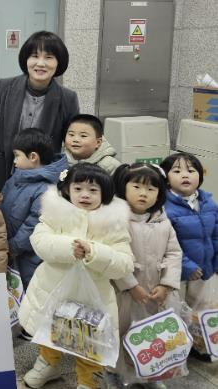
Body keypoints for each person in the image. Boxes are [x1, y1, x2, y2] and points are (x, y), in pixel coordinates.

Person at [19, 163, 134, 389]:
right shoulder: (55, 214)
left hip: (92, 299)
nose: (85, 195)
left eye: (93, 190)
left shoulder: (114, 224)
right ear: (67, 190)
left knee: (90, 342)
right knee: (49, 332)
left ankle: (88, 380)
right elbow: (39, 241)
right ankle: (48, 364)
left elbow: (124, 264)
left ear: (104, 193)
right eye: (78, 188)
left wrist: (95, 253)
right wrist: (69, 248)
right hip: (53, 290)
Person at [107, 163, 181, 389]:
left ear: (159, 193)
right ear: (123, 187)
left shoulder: (163, 220)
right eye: (137, 186)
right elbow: (112, 256)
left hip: (156, 291)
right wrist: (130, 285)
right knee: (121, 331)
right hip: (125, 293)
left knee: (152, 333)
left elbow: (174, 253)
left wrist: (167, 284)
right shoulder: (115, 220)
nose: (143, 193)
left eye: (151, 189)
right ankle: (116, 372)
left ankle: (151, 373)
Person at [0, 31, 79, 190]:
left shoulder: (68, 98)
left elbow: (74, 137)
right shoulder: (4, 87)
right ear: (26, 59)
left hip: (42, 177)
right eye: (34, 56)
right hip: (4, 171)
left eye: (48, 57)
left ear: (59, 62)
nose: (40, 63)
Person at [1, 128, 67, 289]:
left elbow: (33, 225)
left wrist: (12, 247)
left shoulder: (46, 189)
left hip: (29, 257)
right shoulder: (18, 177)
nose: (14, 161)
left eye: (17, 155)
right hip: (9, 249)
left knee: (28, 291)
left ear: (33, 157)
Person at [160, 153, 218, 304]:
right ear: (166, 178)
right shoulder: (163, 207)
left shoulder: (209, 203)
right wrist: (185, 265)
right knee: (177, 312)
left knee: (202, 311)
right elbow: (164, 245)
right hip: (177, 275)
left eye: (191, 171)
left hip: (205, 271)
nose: (185, 175)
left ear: (200, 176)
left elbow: (216, 235)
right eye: (177, 171)